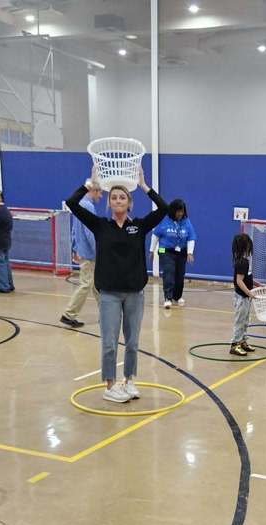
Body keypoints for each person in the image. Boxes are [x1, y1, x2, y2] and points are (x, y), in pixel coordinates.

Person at [65, 165, 168, 404]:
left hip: (135, 294)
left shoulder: (138, 227)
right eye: (114, 197)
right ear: (109, 203)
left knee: (133, 342)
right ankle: (110, 385)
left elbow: (164, 208)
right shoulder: (100, 225)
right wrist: (90, 184)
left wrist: (144, 186)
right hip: (109, 294)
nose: (118, 200)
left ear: (129, 203)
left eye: (122, 197)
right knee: (109, 342)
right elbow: (71, 203)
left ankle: (129, 380)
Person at [60, 183, 102, 328]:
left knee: (97, 285)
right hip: (89, 253)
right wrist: (98, 251)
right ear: (94, 191)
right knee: (86, 284)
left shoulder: (80, 204)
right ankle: (69, 314)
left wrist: (74, 248)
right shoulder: (89, 207)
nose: (101, 196)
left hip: (83, 251)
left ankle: (105, 314)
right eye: (100, 193)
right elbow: (90, 232)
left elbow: (74, 230)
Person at [150, 198, 196, 308]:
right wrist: (151, 250)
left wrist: (190, 253)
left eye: (182, 211)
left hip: (181, 252)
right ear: (173, 210)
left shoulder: (187, 222)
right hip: (165, 251)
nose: (180, 213)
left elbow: (191, 237)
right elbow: (155, 235)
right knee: (169, 273)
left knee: (180, 276)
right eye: (178, 211)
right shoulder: (165, 220)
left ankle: (177, 296)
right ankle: (168, 297)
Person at [230, 233, 256, 357]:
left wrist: (257, 285)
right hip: (241, 297)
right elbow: (239, 281)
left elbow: (248, 278)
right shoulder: (242, 262)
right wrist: (249, 292)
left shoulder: (246, 262)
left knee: (246, 320)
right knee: (240, 320)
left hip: (246, 297)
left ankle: (243, 341)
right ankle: (235, 344)